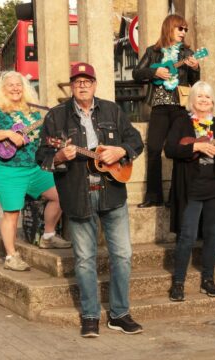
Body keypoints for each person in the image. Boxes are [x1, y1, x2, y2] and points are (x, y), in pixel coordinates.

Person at [36, 63, 144, 337]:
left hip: (112, 193)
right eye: (77, 81)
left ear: (95, 84)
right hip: (78, 195)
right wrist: (59, 156)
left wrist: (120, 150)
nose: (83, 85)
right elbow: (42, 155)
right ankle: (90, 315)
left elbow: (136, 140)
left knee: (123, 255)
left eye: (87, 81)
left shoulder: (112, 110)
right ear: (71, 86)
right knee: (85, 259)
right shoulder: (56, 117)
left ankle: (119, 314)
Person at [0, 71, 69, 272]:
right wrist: (9, 133)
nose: (15, 88)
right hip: (7, 171)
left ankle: (48, 236)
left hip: (35, 169)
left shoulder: (35, 112)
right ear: (2, 90)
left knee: (61, 196)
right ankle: (11, 256)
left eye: (19, 85)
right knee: (12, 214)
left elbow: (45, 139)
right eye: (10, 85)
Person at [164, 81, 215, 301]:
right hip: (190, 189)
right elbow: (170, 149)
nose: (204, 101)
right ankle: (178, 282)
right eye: (199, 97)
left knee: (212, 236)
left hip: (214, 189)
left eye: (207, 97)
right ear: (192, 100)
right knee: (186, 236)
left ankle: (208, 280)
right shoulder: (181, 122)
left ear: (213, 102)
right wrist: (195, 146)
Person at [133, 14, 200, 208]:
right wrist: (154, 72)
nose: (183, 32)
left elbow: (195, 81)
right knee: (153, 149)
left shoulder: (187, 53)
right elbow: (137, 73)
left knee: (180, 150)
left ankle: (176, 196)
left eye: (185, 29)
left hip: (180, 108)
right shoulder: (153, 52)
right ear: (169, 28)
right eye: (180, 28)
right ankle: (154, 196)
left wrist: (195, 67)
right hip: (159, 108)